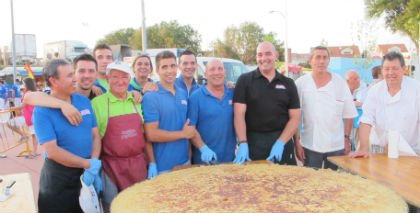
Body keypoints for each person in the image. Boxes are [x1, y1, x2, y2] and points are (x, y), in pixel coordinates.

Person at [32, 59, 102, 213]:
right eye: (70, 75)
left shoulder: (83, 101)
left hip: (86, 172)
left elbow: (95, 135)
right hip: (59, 179)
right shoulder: (42, 111)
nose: (75, 78)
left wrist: (93, 162)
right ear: (53, 80)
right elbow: (52, 151)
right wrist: (87, 164)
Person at [92, 61, 150, 212]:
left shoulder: (136, 100)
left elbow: (144, 134)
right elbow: (93, 138)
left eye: (124, 77)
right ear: (107, 79)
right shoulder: (98, 104)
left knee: (140, 207)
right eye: (115, 76)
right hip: (111, 168)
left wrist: (152, 163)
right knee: (114, 208)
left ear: (130, 79)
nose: (120, 81)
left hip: (138, 167)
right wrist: (93, 169)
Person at [233, 41, 301, 165]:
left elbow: (295, 118)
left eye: (268, 54)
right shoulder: (244, 81)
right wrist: (243, 143)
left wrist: (281, 143)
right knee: (255, 183)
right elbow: (239, 115)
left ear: (276, 56)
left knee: (287, 183)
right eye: (260, 55)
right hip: (253, 144)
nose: (264, 58)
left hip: (283, 141)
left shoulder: (289, 83)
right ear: (256, 58)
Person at [294, 46, 357, 170]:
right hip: (310, 145)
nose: (321, 61)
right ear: (310, 60)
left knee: (334, 185)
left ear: (329, 60)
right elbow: (295, 116)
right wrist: (297, 142)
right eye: (318, 57)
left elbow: (349, 114)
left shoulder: (340, 83)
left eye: (325, 57)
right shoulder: (301, 84)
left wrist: (346, 139)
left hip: (336, 146)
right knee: (311, 184)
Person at [350, 51, 420, 157]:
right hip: (379, 150)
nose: (391, 72)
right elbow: (366, 121)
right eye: (387, 69)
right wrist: (364, 148)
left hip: (409, 151)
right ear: (382, 71)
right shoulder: (375, 91)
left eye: (395, 68)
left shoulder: (416, 89)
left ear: (404, 69)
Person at [142, 51, 195, 177]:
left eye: (172, 66)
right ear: (157, 71)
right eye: (164, 67)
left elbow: (185, 124)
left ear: (177, 67)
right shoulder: (151, 97)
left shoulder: (182, 93)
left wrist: (189, 155)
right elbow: (151, 134)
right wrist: (183, 134)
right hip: (163, 167)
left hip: (184, 163)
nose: (169, 70)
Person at [188, 59, 237, 164]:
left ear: (225, 72)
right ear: (205, 74)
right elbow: (190, 129)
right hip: (205, 161)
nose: (217, 72)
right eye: (212, 69)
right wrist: (203, 148)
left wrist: (241, 144)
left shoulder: (233, 93)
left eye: (220, 69)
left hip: (230, 161)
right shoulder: (196, 97)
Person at [8, 78, 39, 157]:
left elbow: (22, 106)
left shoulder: (27, 93)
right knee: (34, 135)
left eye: (23, 83)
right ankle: (34, 152)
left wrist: (11, 108)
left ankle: (23, 135)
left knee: (9, 123)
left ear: (26, 84)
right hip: (33, 117)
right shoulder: (34, 92)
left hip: (27, 117)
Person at [345, 70, 365, 150]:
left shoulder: (362, 85)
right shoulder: (343, 88)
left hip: (358, 122)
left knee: (358, 145)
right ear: (348, 81)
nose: (358, 81)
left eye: (358, 78)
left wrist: (348, 103)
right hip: (345, 125)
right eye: (355, 79)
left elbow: (361, 103)